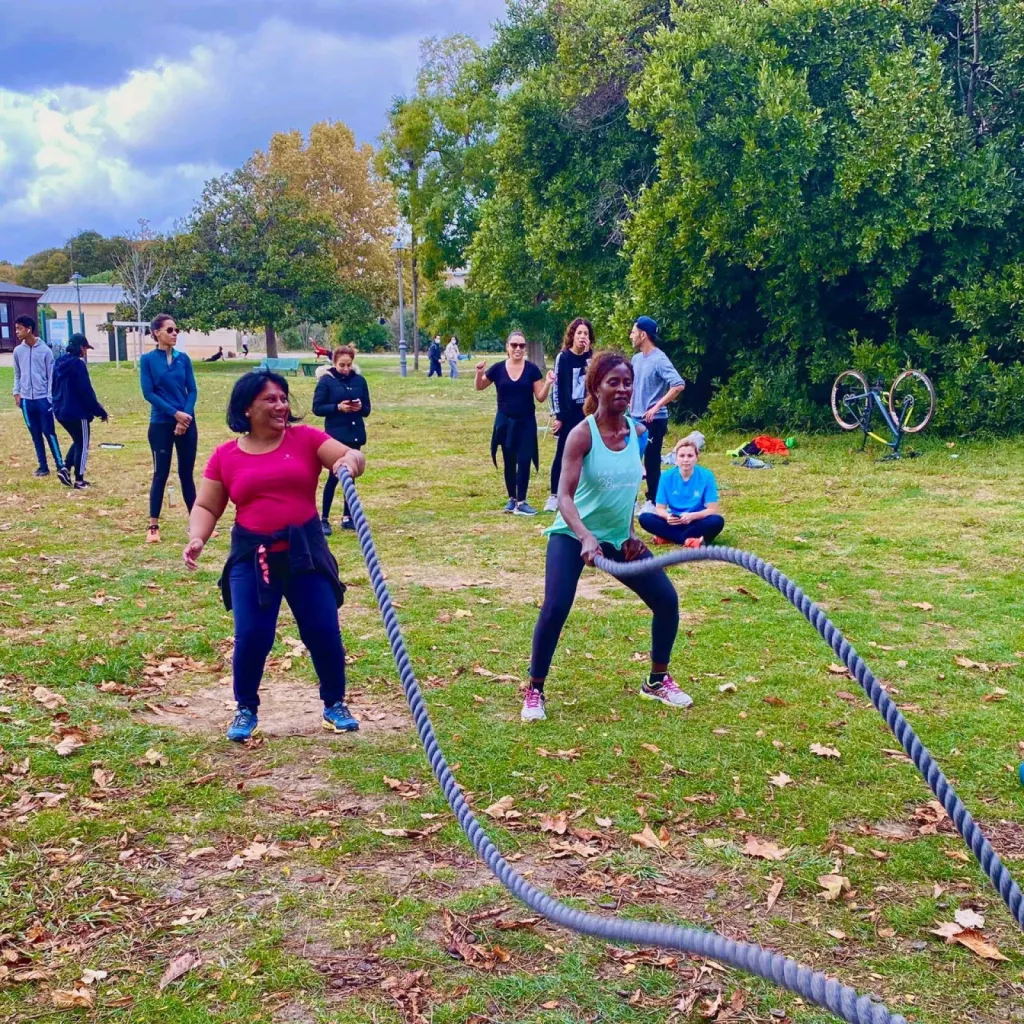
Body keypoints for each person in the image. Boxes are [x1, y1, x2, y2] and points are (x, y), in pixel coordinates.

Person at [182, 370, 366, 743]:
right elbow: (207, 505)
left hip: (305, 552)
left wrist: (348, 463)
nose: (281, 405)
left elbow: (352, 455)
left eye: (283, 398)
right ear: (246, 408)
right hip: (253, 555)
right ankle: (245, 708)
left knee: (323, 630)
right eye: (270, 399)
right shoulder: (225, 456)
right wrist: (197, 537)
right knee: (252, 635)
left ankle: (334, 704)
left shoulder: (306, 439)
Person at [522, 351, 690, 722]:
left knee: (666, 600)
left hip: (617, 539)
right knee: (555, 608)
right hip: (573, 534)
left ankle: (657, 681)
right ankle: (535, 689)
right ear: (596, 387)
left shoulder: (638, 433)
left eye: (627, 383)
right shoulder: (581, 435)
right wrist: (584, 536)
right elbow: (564, 496)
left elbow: (627, 489)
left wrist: (629, 532)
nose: (622, 389)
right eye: (614, 382)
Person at [475, 331, 554, 517]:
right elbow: (480, 386)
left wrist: (548, 383)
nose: (518, 349)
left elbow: (540, 397)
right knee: (509, 461)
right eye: (514, 345)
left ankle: (521, 501)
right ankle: (511, 499)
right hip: (505, 421)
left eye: (522, 345)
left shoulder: (532, 370)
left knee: (524, 460)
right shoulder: (498, 369)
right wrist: (479, 373)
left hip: (526, 421)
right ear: (507, 347)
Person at [140, 314, 198, 544]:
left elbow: (192, 390)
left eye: (176, 330)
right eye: (170, 330)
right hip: (161, 424)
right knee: (161, 473)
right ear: (157, 333)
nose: (175, 334)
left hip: (187, 422)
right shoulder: (147, 360)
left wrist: (185, 418)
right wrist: (175, 414)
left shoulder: (183, 359)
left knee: (186, 474)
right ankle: (153, 526)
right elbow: (148, 393)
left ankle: (196, 523)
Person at [312, 345, 371, 534]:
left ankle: (348, 516)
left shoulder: (359, 380)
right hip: (336, 437)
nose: (346, 369)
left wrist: (359, 407)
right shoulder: (326, 381)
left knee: (350, 476)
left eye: (349, 365)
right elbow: (317, 408)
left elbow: (367, 410)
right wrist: (337, 407)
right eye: (342, 365)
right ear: (334, 363)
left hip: (354, 434)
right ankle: (324, 518)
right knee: (334, 476)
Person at [630, 316, 685, 513]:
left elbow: (678, 384)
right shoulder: (636, 359)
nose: (631, 336)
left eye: (633, 332)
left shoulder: (659, 359)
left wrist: (656, 406)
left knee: (651, 461)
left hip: (654, 420)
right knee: (631, 462)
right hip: (633, 418)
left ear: (643, 335)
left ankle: (653, 501)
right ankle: (630, 501)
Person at [12, 315, 69, 485]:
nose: (17, 332)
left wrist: (50, 398)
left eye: (19, 328)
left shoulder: (45, 351)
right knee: (35, 434)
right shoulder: (18, 351)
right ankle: (43, 466)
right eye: (16, 329)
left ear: (29, 329)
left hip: (43, 399)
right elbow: (17, 374)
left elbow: (51, 376)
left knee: (49, 432)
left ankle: (60, 465)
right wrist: (17, 393)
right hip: (26, 400)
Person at [544, 317, 594, 512]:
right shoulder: (563, 357)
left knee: (588, 454)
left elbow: (595, 379)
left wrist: (588, 355)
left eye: (586, 333)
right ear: (572, 335)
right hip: (568, 413)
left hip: (587, 413)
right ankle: (554, 495)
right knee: (563, 453)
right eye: (579, 333)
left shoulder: (591, 358)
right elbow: (558, 388)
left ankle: (582, 494)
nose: (582, 337)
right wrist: (559, 416)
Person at [638, 438, 724, 546]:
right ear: (676, 458)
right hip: (674, 521)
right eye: (682, 456)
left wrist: (692, 516)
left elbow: (712, 509)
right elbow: (660, 508)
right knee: (645, 518)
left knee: (717, 521)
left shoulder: (707, 476)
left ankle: (669, 537)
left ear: (696, 457)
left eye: (690, 456)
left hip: (696, 521)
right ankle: (688, 540)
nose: (686, 460)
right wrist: (667, 517)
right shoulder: (666, 476)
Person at [52, 334, 107, 490]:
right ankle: (79, 480)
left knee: (78, 440)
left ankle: (65, 469)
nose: (86, 352)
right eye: (85, 348)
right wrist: (99, 411)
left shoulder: (58, 362)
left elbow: (53, 386)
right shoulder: (78, 365)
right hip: (77, 413)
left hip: (61, 411)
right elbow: (86, 391)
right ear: (81, 347)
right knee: (83, 444)